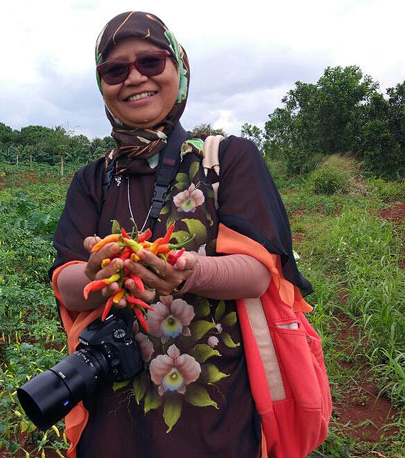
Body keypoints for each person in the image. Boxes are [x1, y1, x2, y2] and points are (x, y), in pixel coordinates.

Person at [49, 11, 313, 458]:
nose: (134, 78)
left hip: (215, 410)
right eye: (115, 70)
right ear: (102, 86)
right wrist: (98, 273)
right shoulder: (92, 180)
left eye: (150, 62)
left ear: (179, 70)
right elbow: (67, 281)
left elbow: (257, 272)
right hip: (114, 410)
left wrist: (188, 271)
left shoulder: (226, 159)